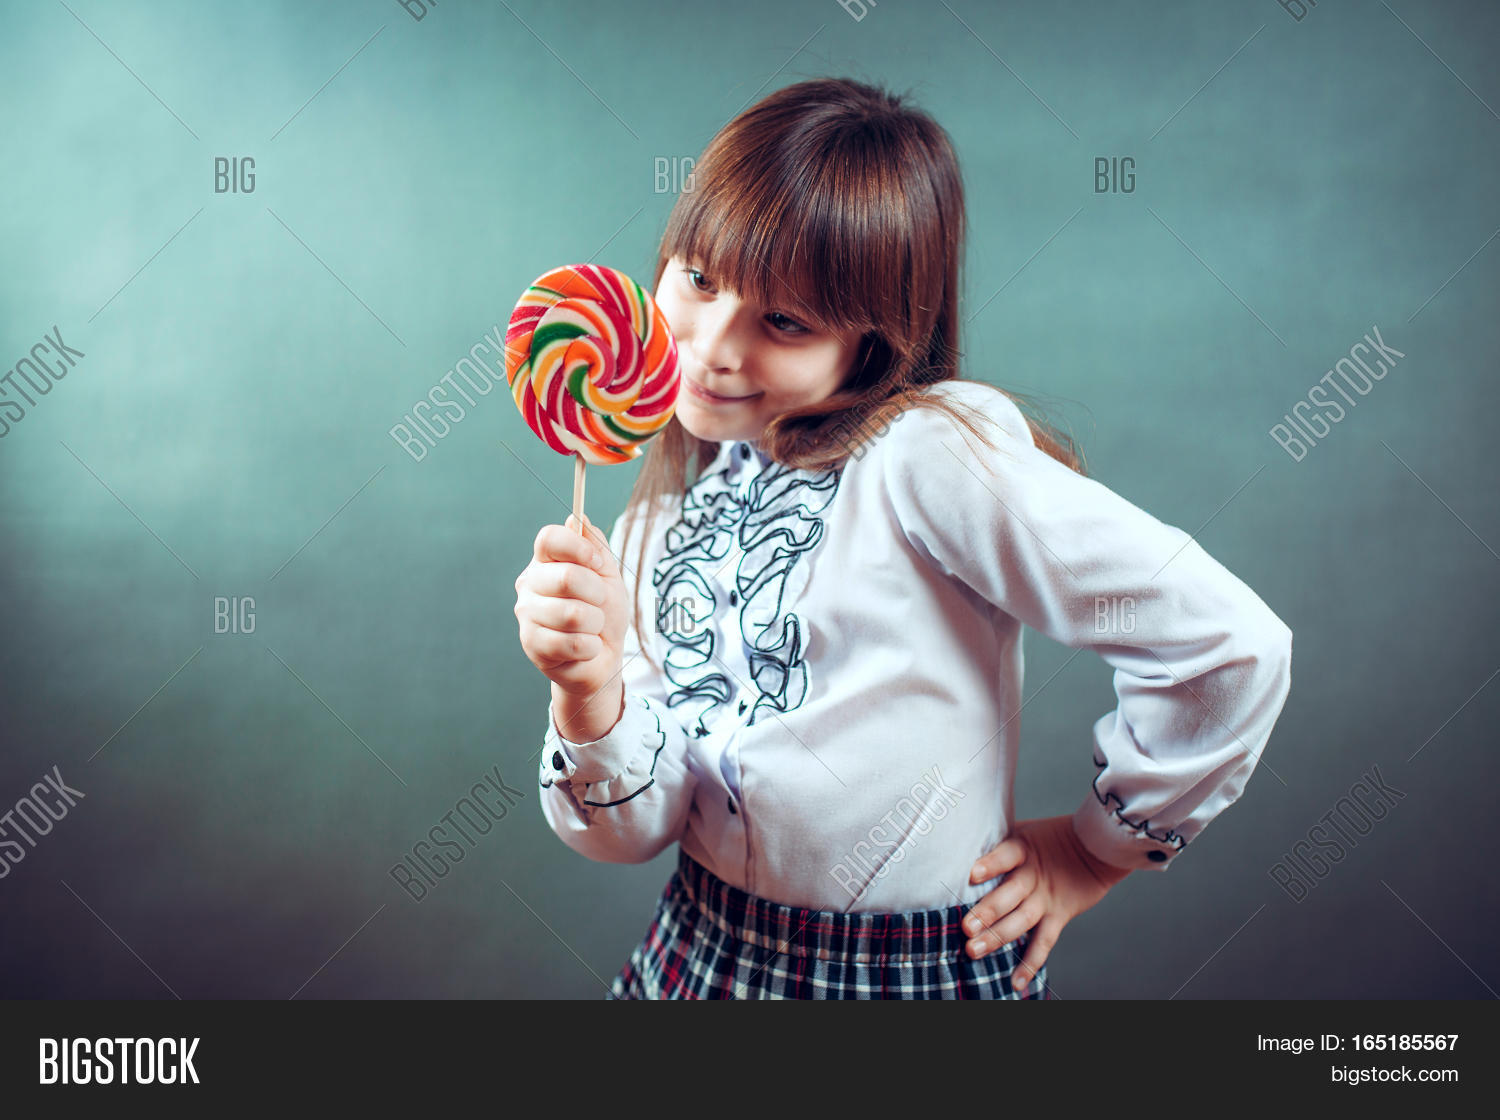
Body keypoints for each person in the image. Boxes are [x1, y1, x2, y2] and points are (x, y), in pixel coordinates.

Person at [513, 77, 1293, 999]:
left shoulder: (924, 457)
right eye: (699, 278)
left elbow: (1227, 641)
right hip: (697, 952)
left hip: (904, 975)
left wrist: (1096, 851)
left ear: (872, 345)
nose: (713, 345)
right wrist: (588, 688)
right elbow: (631, 832)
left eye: (785, 320)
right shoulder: (657, 522)